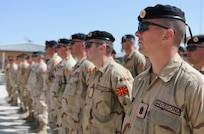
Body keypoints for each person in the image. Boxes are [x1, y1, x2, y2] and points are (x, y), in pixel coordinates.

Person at [122, 4, 204, 134]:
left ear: (167, 35)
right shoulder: (139, 81)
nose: (137, 33)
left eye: (143, 27)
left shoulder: (194, 87)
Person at [82, 30, 133, 134]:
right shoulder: (95, 73)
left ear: (102, 47)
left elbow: (132, 111)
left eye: (88, 45)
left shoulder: (117, 74)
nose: (85, 49)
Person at [61, 33, 95, 134]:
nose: (69, 46)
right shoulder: (77, 66)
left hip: (80, 122)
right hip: (72, 120)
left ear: (83, 45)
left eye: (72, 43)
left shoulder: (88, 65)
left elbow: (93, 95)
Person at [50, 38, 76, 134]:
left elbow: (71, 88)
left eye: (59, 47)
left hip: (63, 105)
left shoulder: (69, 65)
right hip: (58, 104)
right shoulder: (62, 63)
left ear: (66, 48)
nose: (56, 49)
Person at [43, 40, 62, 134]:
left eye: (47, 47)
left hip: (56, 99)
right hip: (51, 97)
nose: (45, 50)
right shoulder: (51, 61)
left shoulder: (56, 61)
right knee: (52, 123)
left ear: (53, 48)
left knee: (55, 124)